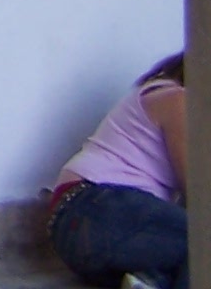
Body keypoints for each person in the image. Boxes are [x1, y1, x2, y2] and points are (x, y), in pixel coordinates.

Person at [50, 54, 187, 289]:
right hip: (98, 206)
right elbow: (200, 187)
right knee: (203, 243)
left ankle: (146, 281)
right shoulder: (177, 99)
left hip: (79, 235)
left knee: (175, 266)